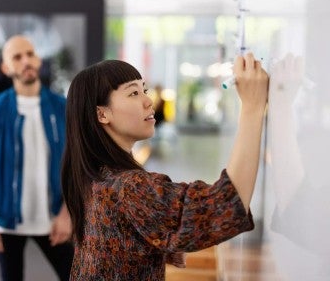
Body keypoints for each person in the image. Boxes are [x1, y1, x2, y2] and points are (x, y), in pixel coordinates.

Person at [61, 54, 269, 280]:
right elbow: (225, 203)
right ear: (102, 114)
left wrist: (153, 243)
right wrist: (253, 108)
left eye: (144, 90)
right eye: (133, 93)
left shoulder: (95, 174)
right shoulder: (130, 187)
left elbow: (109, 243)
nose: (149, 101)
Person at [0, 35, 74, 281]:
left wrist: (67, 214)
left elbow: (76, 167)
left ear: (38, 60)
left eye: (30, 54)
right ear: (6, 68)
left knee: (76, 275)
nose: (26, 61)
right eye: (17, 57)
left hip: (53, 219)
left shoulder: (63, 108)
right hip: (7, 221)